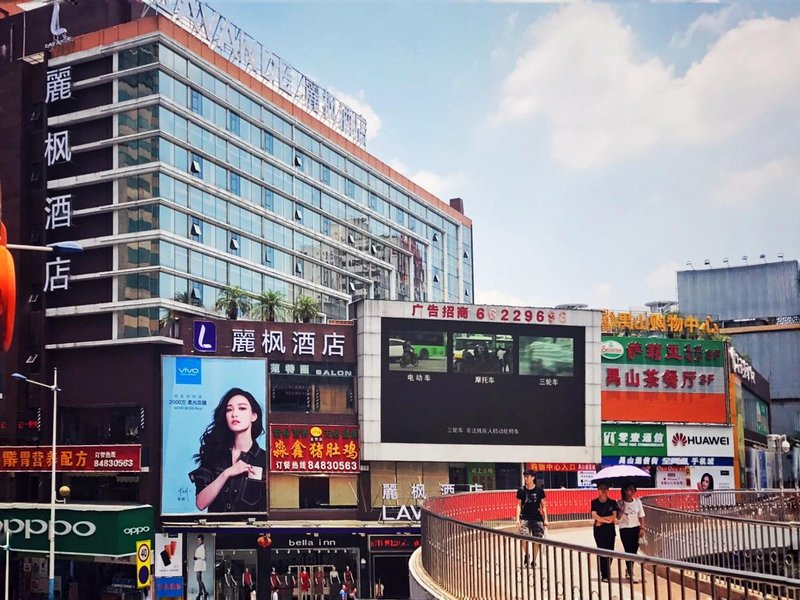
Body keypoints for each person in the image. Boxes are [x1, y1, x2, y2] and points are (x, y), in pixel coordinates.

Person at [190, 388, 267, 512]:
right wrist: (227, 473)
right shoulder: (214, 455)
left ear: (254, 416)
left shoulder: (265, 460)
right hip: (216, 530)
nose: (234, 414)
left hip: (250, 531)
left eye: (242, 408)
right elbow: (200, 503)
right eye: (229, 410)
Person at [515, 469, 548, 567]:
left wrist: (546, 519)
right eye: (524, 476)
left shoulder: (539, 490)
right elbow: (518, 505)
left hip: (537, 518)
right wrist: (517, 519)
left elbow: (544, 505)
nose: (525, 478)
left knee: (537, 540)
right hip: (525, 517)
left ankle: (534, 560)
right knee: (523, 538)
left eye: (527, 477)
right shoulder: (521, 490)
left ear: (533, 478)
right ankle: (527, 554)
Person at [617, 483, 645, 583]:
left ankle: (628, 569)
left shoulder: (638, 502)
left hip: (636, 528)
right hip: (625, 529)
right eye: (628, 489)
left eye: (632, 490)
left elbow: (641, 515)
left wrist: (642, 528)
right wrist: (622, 509)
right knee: (628, 551)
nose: (630, 492)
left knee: (634, 550)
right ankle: (631, 573)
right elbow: (618, 517)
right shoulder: (620, 502)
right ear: (624, 491)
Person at [591, 483, 619, 582]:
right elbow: (594, 515)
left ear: (608, 490)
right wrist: (607, 520)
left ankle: (604, 570)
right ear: (598, 490)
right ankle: (605, 574)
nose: (603, 490)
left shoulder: (612, 502)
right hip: (599, 531)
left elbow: (614, 517)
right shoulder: (594, 502)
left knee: (610, 552)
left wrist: (601, 520)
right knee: (602, 551)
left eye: (605, 488)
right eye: (601, 488)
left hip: (610, 530)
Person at [192, 535, 209, 600]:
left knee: (198, 579)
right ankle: (200, 592)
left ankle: (205, 592)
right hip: (198, 564)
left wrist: (196, 557)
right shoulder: (200, 547)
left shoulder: (202, 547)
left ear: (202, 540)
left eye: (200, 540)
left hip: (199, 564)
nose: (199, 541)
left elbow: (203, 557)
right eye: (198, 540)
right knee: (199, 579)